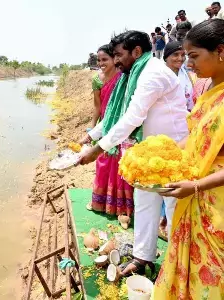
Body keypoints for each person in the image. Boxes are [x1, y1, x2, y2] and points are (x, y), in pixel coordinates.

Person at [78, 30, 189, 277]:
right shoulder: (134, 74)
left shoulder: (152, 74)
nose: (116, 61)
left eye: (119, 55)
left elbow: (133, 117)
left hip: (172, 153)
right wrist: (92, 136)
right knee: (144, 204)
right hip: (147, 154)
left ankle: (177, 269)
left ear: (137, 52)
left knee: (173, 211)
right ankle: (143, 257)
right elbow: (114, 116)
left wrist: (98, 149)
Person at [152, 19, 224, 299]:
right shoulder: (208, 90)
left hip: (214, 199)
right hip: (194, 193)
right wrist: (162, 151)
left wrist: (196, 187)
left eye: (194, 56)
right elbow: (196, 137)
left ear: (220, 50)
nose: (188, 64)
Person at [87, 45, 132, 221]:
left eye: (105, 59)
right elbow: (97, 106)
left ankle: (119, 207)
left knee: (119, 165)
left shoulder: (123, 78)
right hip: (105, 124)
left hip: (121, 126)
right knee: (103, 163)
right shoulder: (97, 80)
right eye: (98, 60)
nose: (101, 63)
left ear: (114, 59)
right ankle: (100, 203)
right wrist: (91, 129)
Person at [164, 41, 194, 111]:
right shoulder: (161, 76)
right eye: (175, 54)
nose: (180, 58)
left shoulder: (185, 72)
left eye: (183, 55)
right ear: (166, 57)